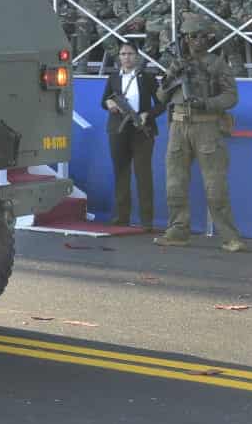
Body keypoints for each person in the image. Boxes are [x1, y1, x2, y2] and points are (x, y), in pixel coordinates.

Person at [155, 14, 244, 252]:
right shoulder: (176, 63)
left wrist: (205, 103)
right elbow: (161, 97)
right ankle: (177, 231)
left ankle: (230, 236)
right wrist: (171, 75)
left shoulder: (216, 64)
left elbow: (231, 97)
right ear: (184, 38)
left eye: (201, 36)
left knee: (215, 186)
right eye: (192, 37)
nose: (197, 41)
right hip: (177, 126)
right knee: (175, 184)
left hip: (206, 126)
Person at [101, 44, 164, 228]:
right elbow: (103, 101)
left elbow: (161, 104)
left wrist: (148, 114)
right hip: (118, 129)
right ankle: (122, 216)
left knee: (143, 174)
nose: (126, 57)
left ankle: (146, 220)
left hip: (141, 129)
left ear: (137, 56)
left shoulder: (148, 78)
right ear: (119, 57)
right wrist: (110, 103)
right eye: (123, 54)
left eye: (130, 54)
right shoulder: (113, 78)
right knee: (121, 172)